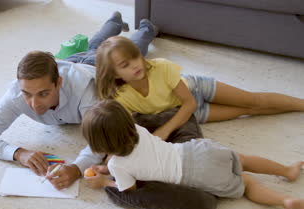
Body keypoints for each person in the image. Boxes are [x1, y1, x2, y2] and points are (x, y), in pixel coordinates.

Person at [0, 12, 158, 190]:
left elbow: (101, 141)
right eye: (27, 94)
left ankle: (146, 28)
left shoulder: (86, 92)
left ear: (58, 83)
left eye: (43, 94)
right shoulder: (15, 94)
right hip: (71, 62)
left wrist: (76, 168)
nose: (34, 104)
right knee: (92, 46)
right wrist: (18, 153)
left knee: (125, 53)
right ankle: (115, 22)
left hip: (94, 68)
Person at [81, 100, 304, 209]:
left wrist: (103, 181)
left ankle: (284, 201)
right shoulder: (138, 130)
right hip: (195, 151)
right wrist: (108, 166)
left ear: (101, 145)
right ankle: (286, 170)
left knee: (246, 182)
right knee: (241, 159)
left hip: (192, 175)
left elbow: (128, 189)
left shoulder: (119, 165)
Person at [95, 36, 304, 141]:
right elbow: (123, 130)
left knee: (253, 101)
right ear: (114, 74)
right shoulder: (121, 98)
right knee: (247, 112)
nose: (136, 65)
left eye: (136, 57)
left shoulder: (161, 68)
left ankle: (301, 104)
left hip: (195, 91)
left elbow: (190, 102)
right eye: (125, 65)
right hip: (187, 113)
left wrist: (165, 130)